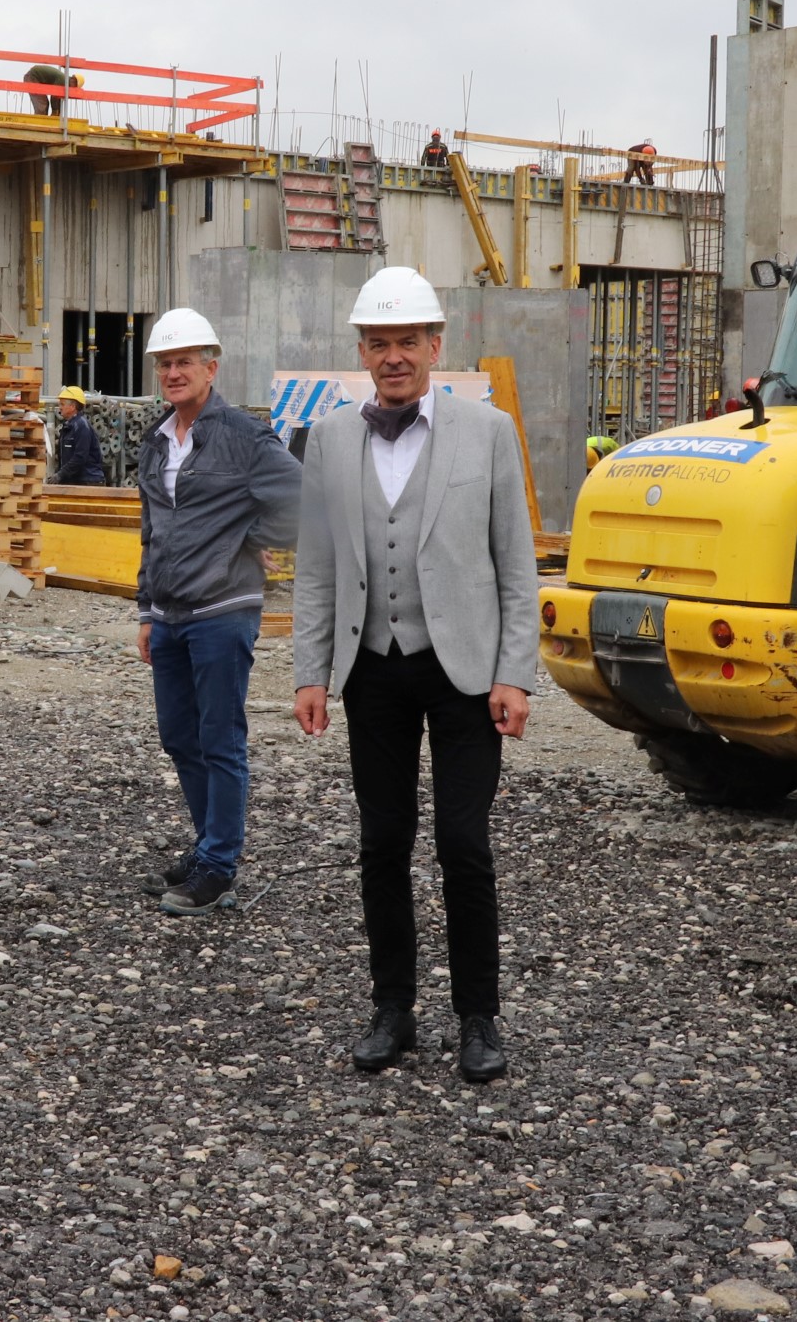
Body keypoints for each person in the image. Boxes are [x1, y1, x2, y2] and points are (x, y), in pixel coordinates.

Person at [290, 268, 540, 1080]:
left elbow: (516, 564)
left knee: (464, 843)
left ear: (436, 345)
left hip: (464, 668)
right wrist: (311, 670)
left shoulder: (488, 431)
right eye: (378, 342)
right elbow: (319, 566)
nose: (393, 356)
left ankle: (479, 1018)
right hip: (374, 667)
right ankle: (392, 1007)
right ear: (360, 350)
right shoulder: (329, 438)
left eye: (407, 342)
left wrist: (517, 673)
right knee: (383, 839)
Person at [135, 307, 303, 915]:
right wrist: (147, 611)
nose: (174, 372)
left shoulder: (243, 435)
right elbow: (151, 528)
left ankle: (219, 864)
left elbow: (301, 500)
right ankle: (209, 844)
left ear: (212, 367)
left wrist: (248, 538)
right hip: (172, 613)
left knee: (220, 735)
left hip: (224, 610)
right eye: (165, 363)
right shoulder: (157, 441)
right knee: (179, 735)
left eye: (184, 362)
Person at [51, 385, 106, 486]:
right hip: (76, 481)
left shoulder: (81, 426)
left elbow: (80, 457)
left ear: (72, 407)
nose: (60, 407)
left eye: (62, 404)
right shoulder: (68, 426)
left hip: (88, 482)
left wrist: (60, 475)